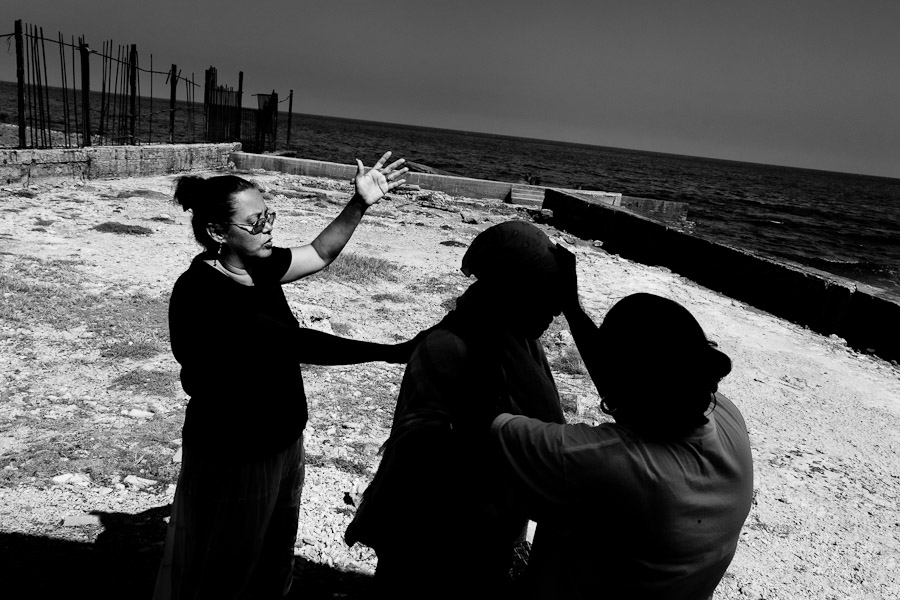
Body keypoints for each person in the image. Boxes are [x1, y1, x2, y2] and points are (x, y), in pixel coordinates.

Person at [153, 152, 414, 600]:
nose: (268, 227)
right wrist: (392, 352)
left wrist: (360, 203)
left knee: (272, 554)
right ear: (217, 232)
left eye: (269, 215)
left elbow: (319, 253)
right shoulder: (203, 292)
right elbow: (298, 343)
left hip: (282, 441)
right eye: (255, 222)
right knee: (226, 566)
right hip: (237, 451)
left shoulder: (257, 266)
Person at [491, 254, 754, 600]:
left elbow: (486, 424)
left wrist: (488, 331)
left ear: (625, 383)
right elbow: (638, 381)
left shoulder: (614, 463)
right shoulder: (725, 416)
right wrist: (572, 306)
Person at [344, 220, 567, 600]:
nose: (557, 309)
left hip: (487, 525)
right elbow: (420, 449)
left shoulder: (519, 343)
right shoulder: (452, 346)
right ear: (510, 293)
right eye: (544, 293)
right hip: (434, 530)